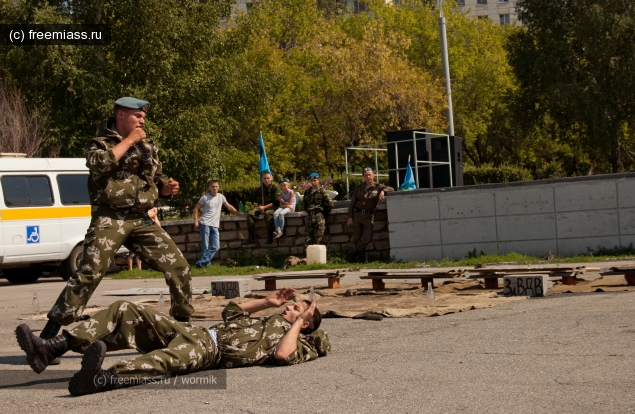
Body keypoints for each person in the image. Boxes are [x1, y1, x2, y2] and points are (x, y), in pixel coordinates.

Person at [40, 97, 195, 352]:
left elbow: (155, 178)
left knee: (179, 267)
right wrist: (130, 140)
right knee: (90, 272)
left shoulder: (147, 145)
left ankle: (182, 329)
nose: (142, 121)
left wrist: (166, 188)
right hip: (110, 217)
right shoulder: (99, 143)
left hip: (141, 218)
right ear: (120, 116)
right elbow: (99, 164)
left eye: (143, 117)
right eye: (137, 116)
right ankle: (48, 336)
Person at [15, 288, 330, 396]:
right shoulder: (268, 319)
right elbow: (230, 310)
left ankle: (97, 380)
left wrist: (301, 322)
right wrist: (266, 302)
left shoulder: (297, 342)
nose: (290, 307)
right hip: (196, 332)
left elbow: (282, 355)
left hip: (211, 350)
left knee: (163, 361)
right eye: (291, 304)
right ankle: (52, 347)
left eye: (296, 308)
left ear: (304, 323)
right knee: (128, 309)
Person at [346, 167, 393, 262]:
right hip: (357, 215)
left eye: (370, 175)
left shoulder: (378, 187)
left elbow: (391, 189)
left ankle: (354, 252)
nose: (368, 177)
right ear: (363, 176)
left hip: (368, 216)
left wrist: (383, 192)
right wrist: (350, 217)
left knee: (367, 237)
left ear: (373, 175)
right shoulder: (359, 188)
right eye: (366, 175)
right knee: (357, 238)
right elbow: (352, 204)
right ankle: (362, 259)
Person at [193, 180, 240, 268]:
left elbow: (229, 207)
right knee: (205, 246)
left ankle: (200, 263)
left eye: (216, 186)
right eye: (213, 186)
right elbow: (196, 209)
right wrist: (196, 221)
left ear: (218, 187)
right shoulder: (205, 197)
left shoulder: (221, 197)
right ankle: (205, 264)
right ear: (209, 187)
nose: (214, 188)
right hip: (205, 224)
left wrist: (239, 214)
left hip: (214, 225)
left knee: (216, 246)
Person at [242, 171, 281, 245]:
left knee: (267, 214)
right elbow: (259, 201)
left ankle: (269, 237)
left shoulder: (275, 188)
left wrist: (264, 207)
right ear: (262, 179)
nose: (266, 180)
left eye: (268, 178)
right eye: (264, 178)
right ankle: (251, 237)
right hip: (263, 206)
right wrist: (260, 207)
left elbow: (276, 202)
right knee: (250, 213)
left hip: (273, 207)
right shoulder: (261, 189)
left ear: (271, 178)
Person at [302, 172, 333, 245]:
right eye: (311, 181)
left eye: (314, 180)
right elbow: (304, 204)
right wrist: (308, 211)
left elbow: (330, 203)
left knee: (318, 237)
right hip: (310, 216)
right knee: (308, 238)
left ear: (318, 180)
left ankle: (317, 255)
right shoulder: (307, 192)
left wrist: (323, 213)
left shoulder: (322, 191)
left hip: (319, 215)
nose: (313, 182)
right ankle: (309, 255)